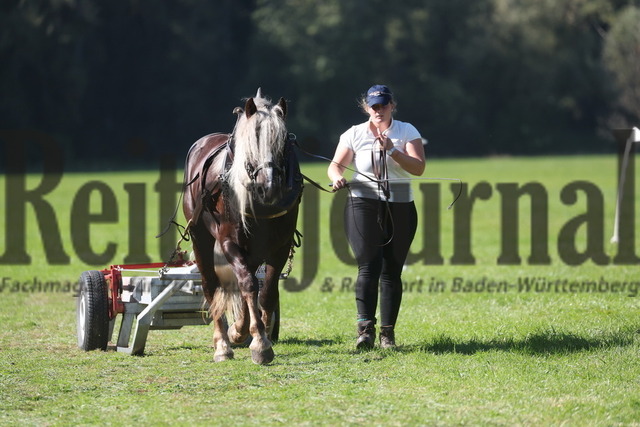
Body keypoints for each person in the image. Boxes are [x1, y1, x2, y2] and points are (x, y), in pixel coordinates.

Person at [327, 84, 426, 349]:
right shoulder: (354, 134)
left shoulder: (407, 131)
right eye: (373, 106)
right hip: (363, 203)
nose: (378, 110)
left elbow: (418, 168)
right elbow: (336, 165)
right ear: (366, 107)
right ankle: (365, 331)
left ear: (392, 105)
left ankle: (387, 335)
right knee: (368, 267)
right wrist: (337, 178)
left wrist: (393, 150)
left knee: (392, 272)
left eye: (383, 105)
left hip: (401, 206)